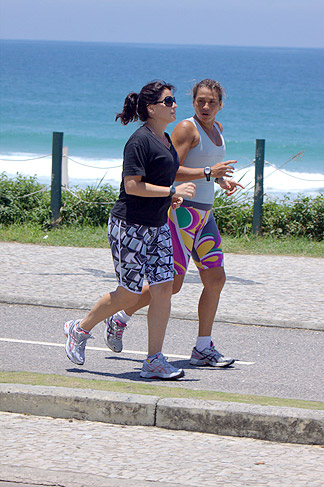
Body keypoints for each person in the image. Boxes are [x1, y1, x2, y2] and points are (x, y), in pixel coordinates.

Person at [105, 78, 243, 367]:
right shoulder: (185, 129)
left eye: (212, 102)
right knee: (172, 285)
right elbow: (171, 172)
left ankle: (203, 347)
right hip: (181, 215)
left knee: (216, 279)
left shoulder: (217, 130)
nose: (206, 106)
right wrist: (208, 172)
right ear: (193, 102)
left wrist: (220, 179)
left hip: (205, 215)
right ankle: (122, 315)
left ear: (220, 105)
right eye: (200, 101)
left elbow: (206, 170)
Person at [64, 80, 196, 380]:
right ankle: (79, 328)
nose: (175, 105)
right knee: (128, 294)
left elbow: (158, 183)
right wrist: (171, 190)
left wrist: (170, 196)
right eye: (168, 101)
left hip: (158, 226)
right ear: (151, 108)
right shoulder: (139, 141)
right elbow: (132, 186)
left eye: (174, 100)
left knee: (164, 289)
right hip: (130, 227)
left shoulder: (163, 139)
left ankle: (154, 360)